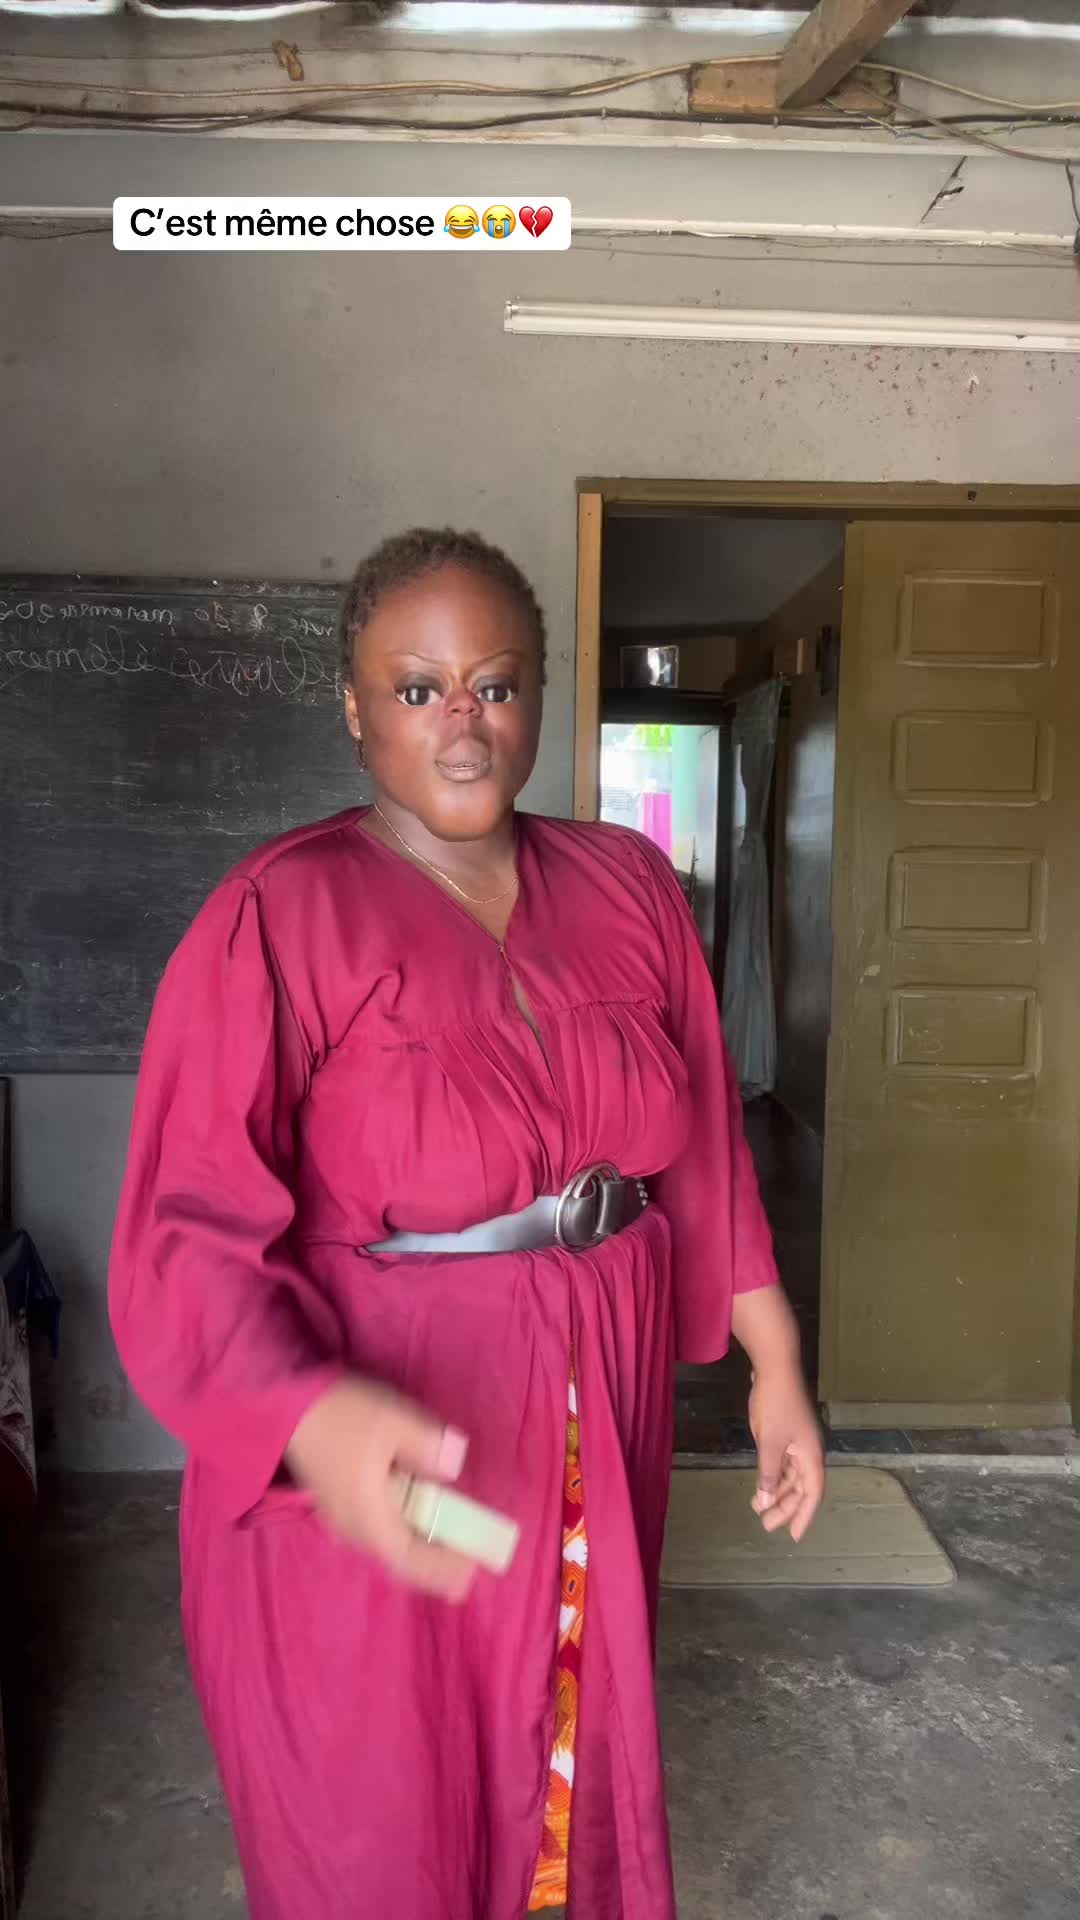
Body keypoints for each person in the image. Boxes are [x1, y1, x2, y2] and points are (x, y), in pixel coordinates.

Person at [109, 527, 825, 1920]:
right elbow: (185, 1228)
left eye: (494, 686)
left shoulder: (626, 887)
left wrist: (775, 1361)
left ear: (538, 698)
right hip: (387, 1418)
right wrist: (305, 1417)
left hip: (596, 1396)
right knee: (388, 1792)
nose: (463, 726)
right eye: (418, 688)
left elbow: (703, 1150)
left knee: (574, 1738)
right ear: (355, 707)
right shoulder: (280, 914)